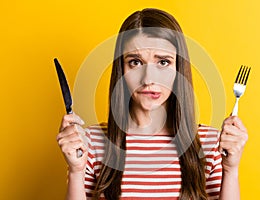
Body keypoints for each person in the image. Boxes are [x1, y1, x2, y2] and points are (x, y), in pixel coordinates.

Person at [56, 8, 248, 200]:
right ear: (121, 70)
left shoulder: (210, 143)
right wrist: (76, 172)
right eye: (135, 62)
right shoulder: (91, 142)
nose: (148, 79)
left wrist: (231, 170)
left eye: (163, 62)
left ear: (178, 69)